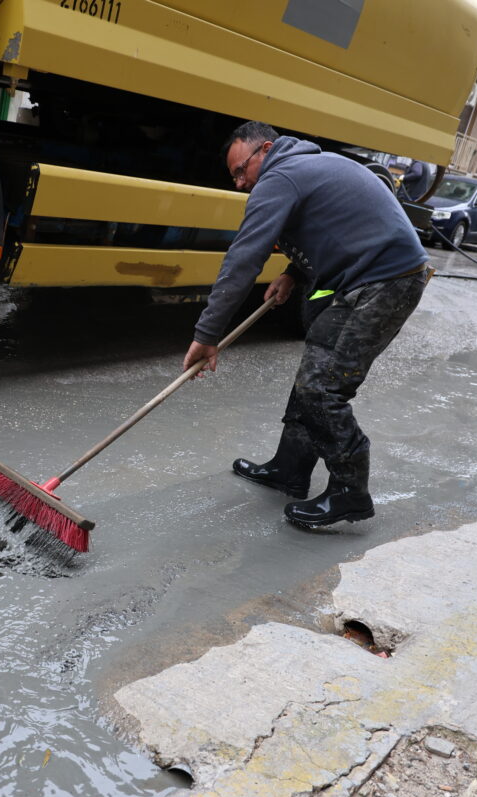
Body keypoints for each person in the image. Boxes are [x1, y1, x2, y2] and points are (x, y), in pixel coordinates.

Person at [183, 121, 432, 527]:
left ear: (264, 150)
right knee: (315, 367)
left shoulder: (280, 177)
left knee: (324, 387)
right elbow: (334, 223)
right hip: (374, 277)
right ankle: (290, 469)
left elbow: (243, 260)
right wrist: (295, 272)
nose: (240, 184)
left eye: (240, 171)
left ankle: (351, 493)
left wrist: (207, 336)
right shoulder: (306, 167)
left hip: (386, 282)